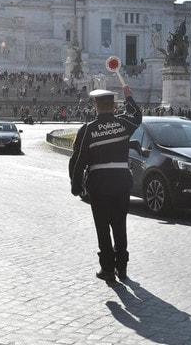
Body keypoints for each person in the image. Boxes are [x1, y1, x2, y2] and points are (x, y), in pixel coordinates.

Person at [69, 86, 142, 282]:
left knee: (103, 227)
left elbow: (78, 160)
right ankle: (122, 267)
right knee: (120, 225)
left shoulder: (88, 129)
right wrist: (129, 98)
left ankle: (107, 269)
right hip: (121, 181)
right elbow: (137, 116)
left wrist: (75, 185)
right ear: (114, 106)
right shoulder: (124, 123)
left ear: (96, 106)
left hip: (99, 183)